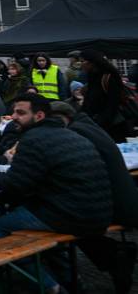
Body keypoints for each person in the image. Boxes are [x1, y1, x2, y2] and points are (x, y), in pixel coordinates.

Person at [0, 95, 112, 293]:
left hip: (73, 215)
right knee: (42, 229)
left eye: (21, 112)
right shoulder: (68, 134)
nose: (13, 117)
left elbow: (15, 185)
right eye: (13, 112)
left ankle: (50, 286)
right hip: (98, 212)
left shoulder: (33, 139)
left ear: (39, 115)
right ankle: (72, 281)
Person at [49, 101, 138, 292]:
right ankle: (115, 255)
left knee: (57, 218)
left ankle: (113, 256)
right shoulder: (88, 126)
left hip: (113, 204)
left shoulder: (76, 133)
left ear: (62, 119)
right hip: (123, 198)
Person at [79, 49, 133, 141]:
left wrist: (101, 122)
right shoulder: (92, 76)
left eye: (82, 61)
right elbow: (88, 100)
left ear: (91, 62)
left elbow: (112, 104)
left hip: (112, 126)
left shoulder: (109, 77)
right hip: (96, 123)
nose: (80, 64)